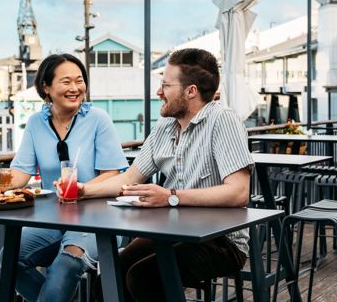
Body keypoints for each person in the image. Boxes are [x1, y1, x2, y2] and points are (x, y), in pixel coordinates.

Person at [82, 48, 254, 301]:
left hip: (220, 240)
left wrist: (171, 196)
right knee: (108, 277)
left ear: (191, 91)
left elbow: (239, 192)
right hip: (171, 232)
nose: (158, 92)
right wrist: (82, 190)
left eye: (165, 86)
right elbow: (130, 178)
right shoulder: (164, 125)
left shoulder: (223, 120)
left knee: (144, 277)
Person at [7, 53, 129, 302]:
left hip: (99, 219)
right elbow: (21, 172)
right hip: (52, 219)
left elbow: (112, 173)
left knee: (66, 264)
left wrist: (80, 189)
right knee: (9, 258)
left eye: (79, 80)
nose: (75, 88)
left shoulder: (98, 119)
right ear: (46, 87)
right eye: (66, 81)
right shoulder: (35, 123)